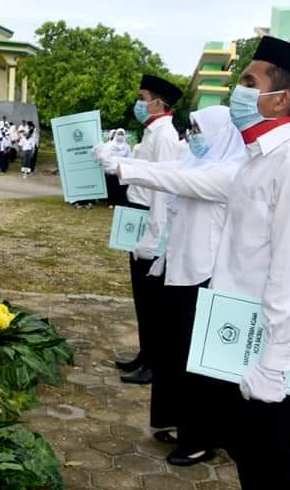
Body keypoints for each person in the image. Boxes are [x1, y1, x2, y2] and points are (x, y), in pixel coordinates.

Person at [204, 36, 290, 488]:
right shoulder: (261, 160)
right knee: (254, 466)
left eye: (249, 81)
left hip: (270, 356)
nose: (237, 92)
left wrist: (273, 366)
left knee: (276, 471)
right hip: (243, 343)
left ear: (280, 99)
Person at [111, 105, 246, 466]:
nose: (193, 136)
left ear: (220, 134)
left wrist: (124, 168)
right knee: (174, 355)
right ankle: (178, 424)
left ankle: (200, 439)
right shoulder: (199, 164)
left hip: (206, 278)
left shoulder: (229, 173)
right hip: (180, 269)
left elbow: (174, 180)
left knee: (196, 364)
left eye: (200, 130)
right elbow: (169, 170)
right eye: (192, 128)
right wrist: (122, 160)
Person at [109, 74, 187, 384]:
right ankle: (144, 354)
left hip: (150, 218)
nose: (139, 104)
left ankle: (153, 363)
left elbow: (164, 186)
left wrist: (156, 236)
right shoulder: (152, 132)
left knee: (151, 296)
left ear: (157, 102)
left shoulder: (165, 136)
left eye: (143, 98)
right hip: (137, 213)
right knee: (141, 293)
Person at [103, 128, 132, 208]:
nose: (120, 136)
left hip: (123, 169)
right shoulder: (109, 145)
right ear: (116, 135)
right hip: (112, 170)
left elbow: (129, 157)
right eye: (119, 134)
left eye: (122, 134)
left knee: (122, 187)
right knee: (112, 186)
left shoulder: (126, 146)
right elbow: (106, 156)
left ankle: (121, 202)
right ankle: (111, 202)